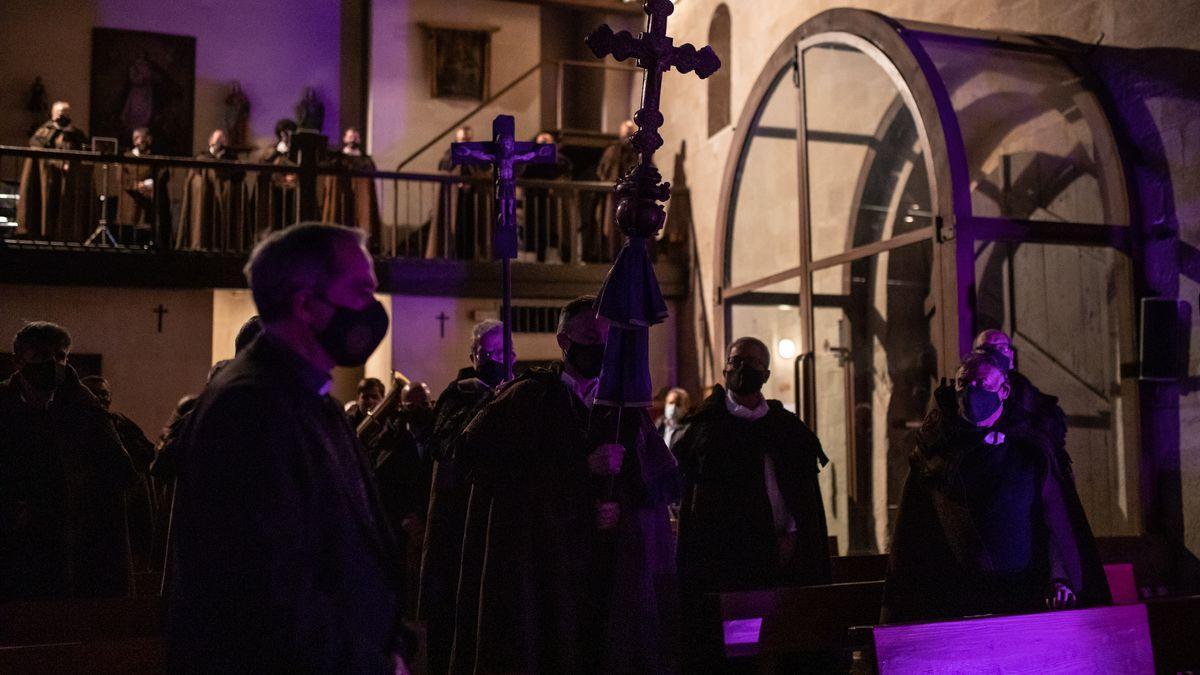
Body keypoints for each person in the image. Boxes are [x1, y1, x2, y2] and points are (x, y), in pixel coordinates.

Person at [167, 223, 408, 672]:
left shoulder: (313, 398)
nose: (372, 309)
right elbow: (264, 589)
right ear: (304, 304)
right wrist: (368, 664)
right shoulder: (249, 406)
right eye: (360, 290)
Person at [451, 297, 679, 673]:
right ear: (563, 340)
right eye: (590, 335)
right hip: (544, 566)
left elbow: (657, 485)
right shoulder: (526, 399)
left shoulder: (623, 407)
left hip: (608, 574)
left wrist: (620, 509)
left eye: (607, 338)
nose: (599, 346)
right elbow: (481, 465)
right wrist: (579, 467)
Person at [880, 351, 1106, 623]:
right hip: (959, 601)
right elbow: (916, 533)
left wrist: (1060, 577)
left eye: (984, 383)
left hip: (1026, 595)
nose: (973, 391)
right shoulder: (935, 454)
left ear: (1004, 390)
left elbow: (1055, 521)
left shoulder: (1029, 449)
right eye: (965, 383)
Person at [675, 338, 830, 595]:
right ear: (725, 370)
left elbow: (802, 494)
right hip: (724, 560)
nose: (743, 367)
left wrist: (791, 534)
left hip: (784, 554)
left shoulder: (785, 427)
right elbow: (696, 499)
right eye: (736, 361)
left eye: (753, 362)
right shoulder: (706, 428)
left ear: (766, 374)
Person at [972, 329, 1110, 607]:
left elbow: (1053, 515)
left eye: (1003, 348)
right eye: (988, 349)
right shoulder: (973, 401)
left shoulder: (1033, 406)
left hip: (1028, 527)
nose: (998, 354)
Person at [0, 322, 136, 601]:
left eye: (60, 356)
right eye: (40, 355)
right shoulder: (3, 403)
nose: (52, 363)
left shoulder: (83, 406)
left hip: (70, 542)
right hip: (11, 540)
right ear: (18, 360)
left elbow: (119, 471)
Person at [416, 319, 512, 673]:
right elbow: (447, 446)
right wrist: (488, 400)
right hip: (456, 526)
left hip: (495, 524)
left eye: (503, 352)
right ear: (474, 356)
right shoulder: (458, 395)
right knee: (453, 617)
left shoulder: (517, 393)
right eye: (489, 352)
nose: (497, 358)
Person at [81, 375, 158, 574]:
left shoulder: (121, 423)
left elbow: (146, 453)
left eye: (104, 394)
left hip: (125, 501)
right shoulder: (72, 426)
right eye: (94, 393)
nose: (100, 398)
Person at [17, 101, 92, 241]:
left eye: (66, 113)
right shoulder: (44, 131)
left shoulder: (76, 133)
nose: (63, 116)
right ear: (53, 114)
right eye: (60, 113)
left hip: (69, 179)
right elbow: (37, 147)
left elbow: (86, 149)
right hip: (48, 178)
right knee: (48, 206)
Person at [176, 129, 247, 251]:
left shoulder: (232, 159)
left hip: (224, 201)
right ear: (210, 142)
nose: (219, 142)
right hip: (205, 199)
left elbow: (239, 175)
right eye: (216, 139)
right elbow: (194, 177)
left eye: (222, 139)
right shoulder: (201, 157)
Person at [428, 125, 491, 260]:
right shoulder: (449, 155)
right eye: (463, 139)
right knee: (453, 231)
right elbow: (445, 171)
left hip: (471, 202)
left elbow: (485, 171)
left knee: (471, 231)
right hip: (453, 202)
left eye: (468, 139)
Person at [519, 130, 574, 262]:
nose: (544, 141)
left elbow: (564, 174)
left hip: (552, 200)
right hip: (532, 199)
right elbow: (522, 172)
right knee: (531, 228)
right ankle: (531, 256)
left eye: (547, 140)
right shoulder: (528, 157)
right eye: (541, 139)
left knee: (552, 228)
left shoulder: (560, 159)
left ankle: (551, 256)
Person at [322, 127, 382, 244]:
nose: (352, 140)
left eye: (355, 137)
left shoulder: (366, 160)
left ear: (359, 140)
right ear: (344, 139)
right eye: (350, 137)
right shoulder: (337, 159)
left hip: (360, 200)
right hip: (342, 196)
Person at [593, 120, 639, 261]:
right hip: (614, 196)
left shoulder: (640, 151)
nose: (628, 133)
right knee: (613, 227)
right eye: (626, 130)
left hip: (634, 197)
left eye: (631, 130)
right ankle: (613, 256)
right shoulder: (612, 151)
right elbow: (603, 172)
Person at [117, 127, 171, 246]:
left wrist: (149, 184)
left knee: (145, 238)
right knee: (128, 239)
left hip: (147, 206)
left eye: (149, 138)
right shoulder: (126, 158)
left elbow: (164, 173)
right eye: (145, 138)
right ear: (136, 140)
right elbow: (122, 178)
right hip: (130, 205)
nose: (148, 141)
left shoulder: (154, 156)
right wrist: (136, 185)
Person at [256, 119, 299, 231]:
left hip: (292, 189)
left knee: (291, 218)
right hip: (275, 190)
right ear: (282, 134)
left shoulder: (296, 151)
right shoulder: (273, 149)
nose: (290, 136)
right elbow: (265, 164)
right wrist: (278, 153)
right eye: (287, 133)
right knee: (276, 218)